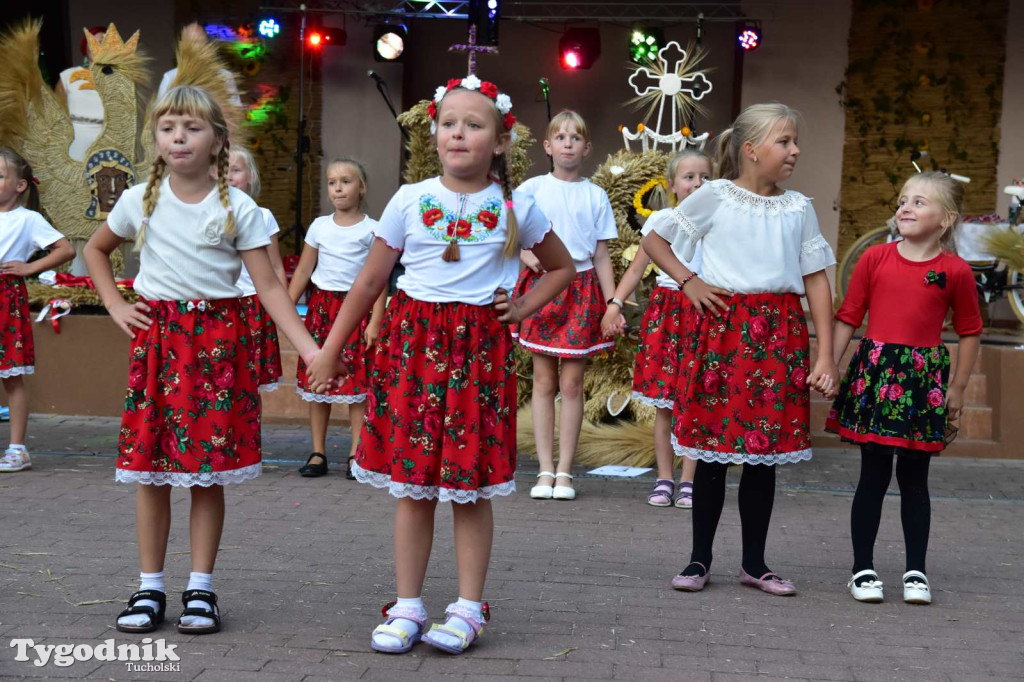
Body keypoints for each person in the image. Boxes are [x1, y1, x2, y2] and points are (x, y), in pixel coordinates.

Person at [305, 76, 574, 654]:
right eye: (449, 122)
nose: (459, 133)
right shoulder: (409, 199)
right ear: (434, 132)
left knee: (469, 487)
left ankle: (469, 608)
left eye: (474, 125)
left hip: (478, 354)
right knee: (413, 486)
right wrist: (329, 346)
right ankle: (407, 606)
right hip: (415, 350)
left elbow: (561, 269)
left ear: (500, 141)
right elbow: (372, 279)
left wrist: (521, 306)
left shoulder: (516, 205)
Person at [83, 85, 320, 635]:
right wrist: (116, 303)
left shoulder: (240, 208)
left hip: (215, 347)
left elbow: (271, 288)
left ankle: (201, 590)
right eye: (168, 128)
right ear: (156, 140)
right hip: (160, 344)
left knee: (206, 475)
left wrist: (309, 348)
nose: (178, 137)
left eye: (191, 128)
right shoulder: (138, 201)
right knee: (151, 470)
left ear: (217, 140)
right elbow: (96, 249)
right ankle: (149, 588)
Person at [641, 103, 838, 596]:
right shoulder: (715, 197)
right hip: (724, 334)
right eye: (784, 142)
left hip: (780, 336)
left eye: (795, 142)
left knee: (763, 457)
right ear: (751, 150)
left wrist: (825, 354)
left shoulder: (800, 208)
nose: (794, 151)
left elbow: (816, 282)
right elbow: (654, 238)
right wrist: (690, 281)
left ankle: (755, 562)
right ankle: (698, 560)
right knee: (710, 453)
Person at [827, 171, 982, 605]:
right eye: (903, 200)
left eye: (919, 202)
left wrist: (959, 387)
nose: (906, 208)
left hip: (922, 381)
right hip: (876, 376)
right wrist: (830, 365)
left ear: (946, 219)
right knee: (872, 477)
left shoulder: (955, 270)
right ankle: (862, 570)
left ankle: (916, 571)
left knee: (915, 479)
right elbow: (849, 316)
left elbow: (970, 330)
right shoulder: (875, 258)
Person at [513, 110, 618, 501]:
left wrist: (612, 303)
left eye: (576, 138)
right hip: (542, 288)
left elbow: (602, 254)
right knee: (543, 382)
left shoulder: (595, 195)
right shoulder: (532, 189)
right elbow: (510, 235)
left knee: (572, 384)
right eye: (561, 137)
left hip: (581, 288)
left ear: (587, 148)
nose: (568, 143)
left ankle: (565, 471)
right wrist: (526, 256)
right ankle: (543, 469)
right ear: (548, 146)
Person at [601, 148, 712, 508]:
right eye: (689, 177)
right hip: (666, 314)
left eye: (705, 178)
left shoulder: (717, 221)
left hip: (702, 311)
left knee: (693, 401)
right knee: (664, 404)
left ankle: (689, 480)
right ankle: (665, 478)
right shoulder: (661, 220)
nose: (698, 184)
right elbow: (635, 270)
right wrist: (615, 304)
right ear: (672, 184)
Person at [288, 157, 385, 479]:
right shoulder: (319, 227)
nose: (338, 188)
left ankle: (357, 453)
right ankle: (318, 452)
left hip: (356, 310)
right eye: (332, 182)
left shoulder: (373, 230)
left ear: (362, 187)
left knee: (357, 386)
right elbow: (304, 270)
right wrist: (286, 307)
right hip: (322, 311)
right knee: (320, 384)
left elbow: (379, 279)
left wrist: (374, 320)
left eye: (346, 181)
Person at [0, 148, 76, 473]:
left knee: (12, 377)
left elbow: (66, 248)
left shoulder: (28, 220)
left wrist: (31, 268)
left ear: (20, 185)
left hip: (4, 296)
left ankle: (18, 449)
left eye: (0, 175)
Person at [227, 147, 287, 392]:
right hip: (222, 302)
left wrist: (281, 310)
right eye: (222, 170)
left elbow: (275, 267)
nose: (228, 176)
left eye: (236, 170)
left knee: (251, 380)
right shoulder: (206, 214)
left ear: (249, 176)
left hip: (254, 304)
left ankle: (249, 429)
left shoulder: (263, 216)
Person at [55, 26, 107, 161]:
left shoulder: (117, 80)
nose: (97, 46)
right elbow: (56, 113)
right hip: (74, 145)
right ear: (86, 48)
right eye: (93, 42)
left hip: (107, 144)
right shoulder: (67, 76)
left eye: (102, 42)